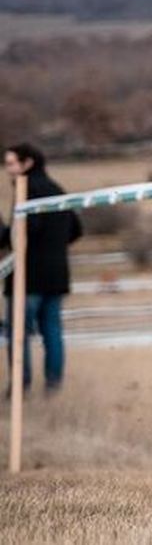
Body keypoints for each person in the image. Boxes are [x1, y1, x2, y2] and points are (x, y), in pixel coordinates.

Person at [2, 145, 82, 395]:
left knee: (19, 334)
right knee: (52, 333)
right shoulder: (57, 190)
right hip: (57, 274)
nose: (8, 169)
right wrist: (55, 248)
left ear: (27, 163)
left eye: (12, 163)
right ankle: (53, 385)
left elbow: (24, 232)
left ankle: (20, 386)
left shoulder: (28, 191)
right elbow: (76, 229)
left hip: (28, 277)